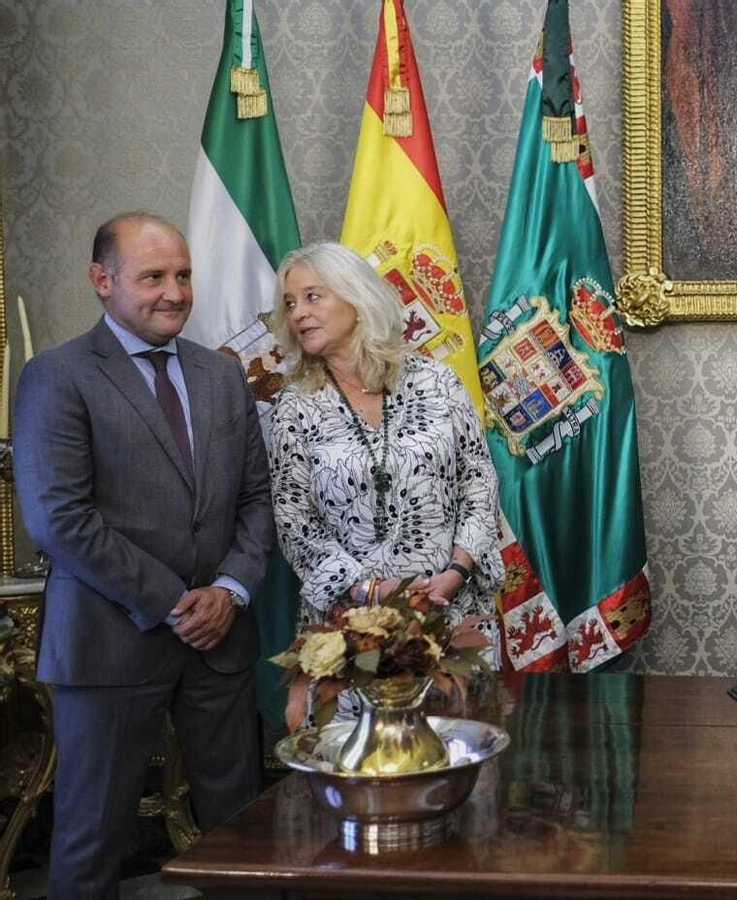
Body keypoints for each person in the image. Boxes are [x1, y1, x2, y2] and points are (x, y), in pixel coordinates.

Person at [13, 213, 274, 899]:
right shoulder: (58, 376)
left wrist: (230, 593)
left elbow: (257, 502)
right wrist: (171, 603)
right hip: (109, 644)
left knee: (238, 840)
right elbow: (58, 518)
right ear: (102, 281)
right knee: (90, 843)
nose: (175, 292)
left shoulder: (222, 376)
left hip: (221, 641)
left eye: (183, 275)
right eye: (153, 276)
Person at [267, 242, 504, 716]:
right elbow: (295, 524)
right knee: (359, 769)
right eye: (290, 303)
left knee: (453, 760)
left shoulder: (439, 383)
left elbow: (479, 484)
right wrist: (374, 594)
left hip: (447, 614)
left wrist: (455, 573)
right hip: (352, 630)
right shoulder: (293, 406)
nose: (299, 314)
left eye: (314, 297)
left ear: (357, 298)